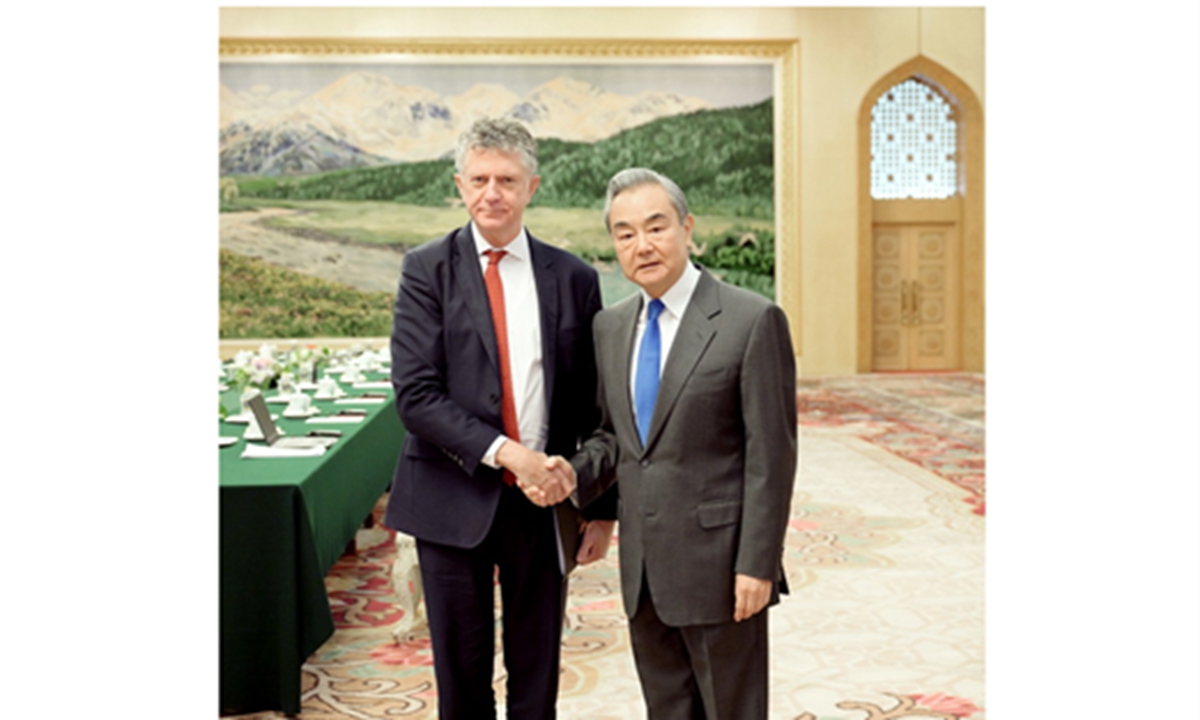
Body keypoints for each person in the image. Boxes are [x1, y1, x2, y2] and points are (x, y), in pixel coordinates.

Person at [528, 168, 797, 719]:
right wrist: (572, 472)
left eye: (656, 227)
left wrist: (758, 565)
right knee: (668, 710)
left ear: (687, 227)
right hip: (645, 568)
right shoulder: (611, 326)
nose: (642, 245)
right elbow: (614, 436)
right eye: (625, 234)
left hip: (722, 568)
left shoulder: (751, 320)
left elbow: (771, 457)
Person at [382, 117, 616, 720]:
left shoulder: (574, 278)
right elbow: (415, 395)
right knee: (461, 681)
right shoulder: (425, 270)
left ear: (531, 187)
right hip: (449, 496)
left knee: (537, 676)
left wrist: (599, 508)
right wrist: (509, 453)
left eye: (507, 179)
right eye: (480, 178)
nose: (493, 192)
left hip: (542, 508)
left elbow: (596, 403)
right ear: (460, 185)